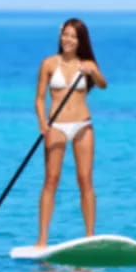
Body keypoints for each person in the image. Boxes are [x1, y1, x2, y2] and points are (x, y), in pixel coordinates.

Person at [34, 18, 107, 247]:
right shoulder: (49, 63)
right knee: (51, 181)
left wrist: (92, 72)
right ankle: (43, 239)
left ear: (80, 41)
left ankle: (89, 236)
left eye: (73, 36)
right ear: (60, 36)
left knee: (85, 180)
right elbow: (39, 98)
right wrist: (42, 123)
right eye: (65, 35)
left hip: (83, 125)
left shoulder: (87, 65)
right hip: (55, 126)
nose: (68, 39)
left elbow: (103, 84)